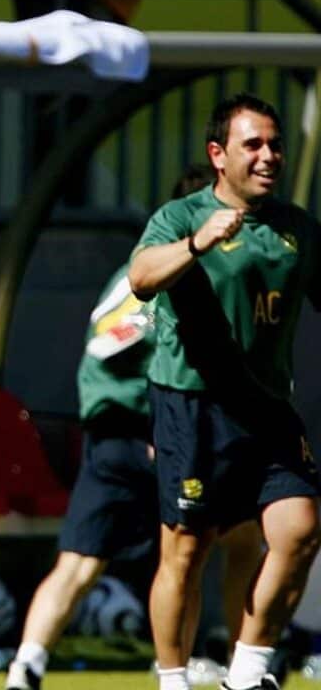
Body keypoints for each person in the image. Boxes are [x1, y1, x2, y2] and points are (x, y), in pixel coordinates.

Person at [4, 165, 264, 690]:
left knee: (86, 561)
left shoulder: (161, 267)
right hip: (151, 432)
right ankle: (220, 666)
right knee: (196, 551)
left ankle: (24, 669)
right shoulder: (163, 269)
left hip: (121, 434)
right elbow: (109, 337)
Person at [128, 93, 321, 690]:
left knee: (301, 528)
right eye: (253, 145)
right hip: (193, 407)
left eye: (275, 144)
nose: (269, 156)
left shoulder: (295, 229)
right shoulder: (182, 217)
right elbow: (139, 279)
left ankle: (249, 670)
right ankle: (173, 679)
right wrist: (196, 245)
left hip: (266, 409)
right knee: (186, 553)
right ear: (219, 154)